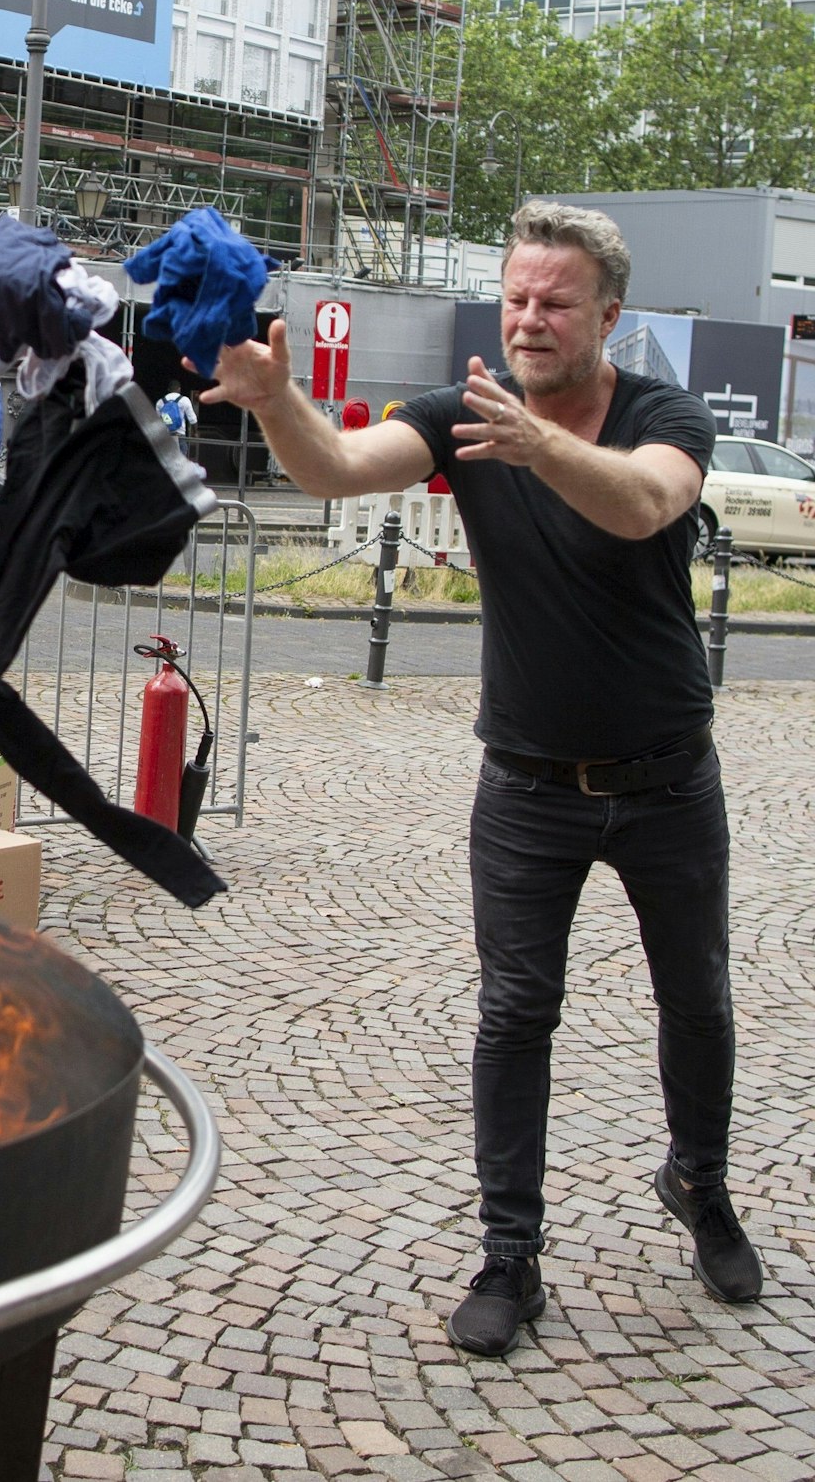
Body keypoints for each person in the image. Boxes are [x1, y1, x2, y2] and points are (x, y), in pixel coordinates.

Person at [198, 201, 763, 1356]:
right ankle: (509, 1254)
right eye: (514, 298)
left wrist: (538, 444)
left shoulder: (661, 414)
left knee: (695, 1001)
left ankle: (697, 1185)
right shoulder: (464, 414)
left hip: (665, 780)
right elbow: (339, 470)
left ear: (608, 313)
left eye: (554, 302)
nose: (528, 318)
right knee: (514, 1014)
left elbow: (647, 501)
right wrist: (273, 403)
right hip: (524, 785)